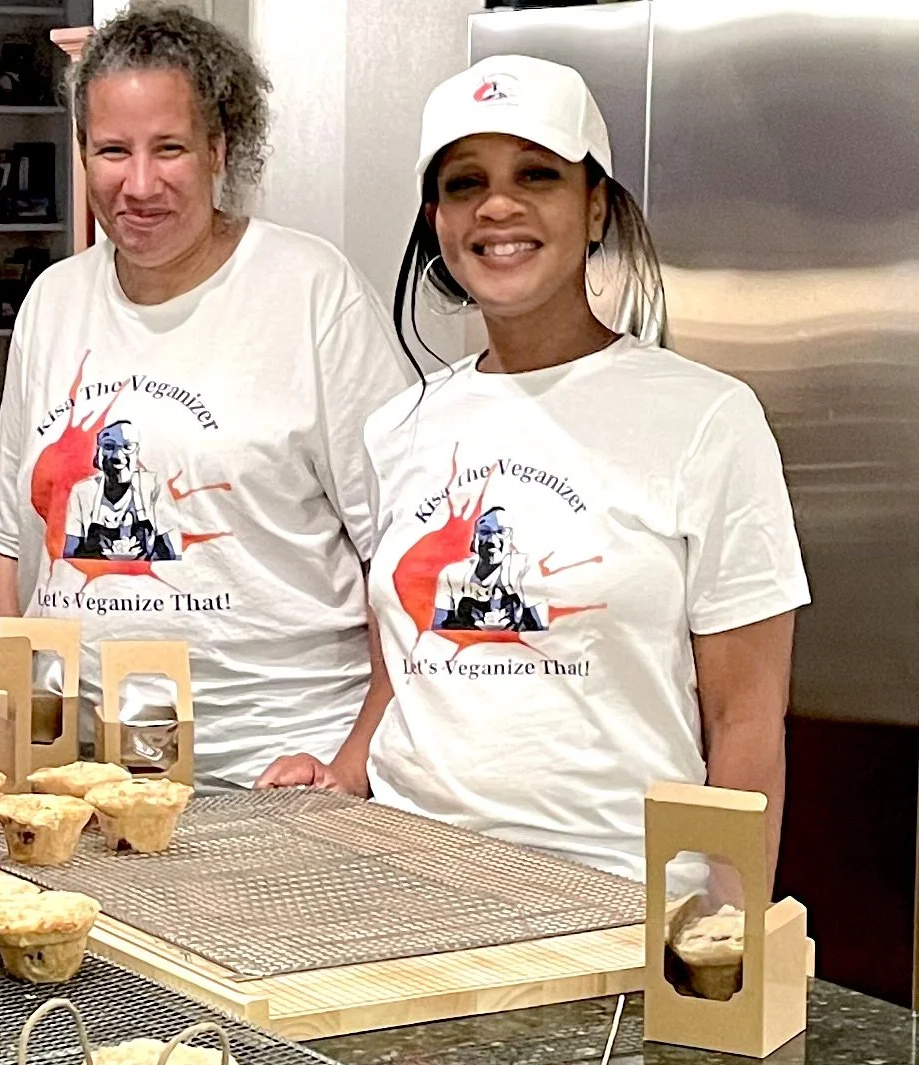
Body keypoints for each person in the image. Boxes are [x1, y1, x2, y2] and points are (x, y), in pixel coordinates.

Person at [259, 54, 808, 884]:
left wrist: (724, 944)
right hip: (404, 876)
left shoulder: (707, 419)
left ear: (595, 210)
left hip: (617, 892)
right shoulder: (399, 427)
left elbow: (747, 725)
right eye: (464, 182)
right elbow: (405, 673)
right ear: (438, 221)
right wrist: (345, 772)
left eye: (537, 174)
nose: (498, 205)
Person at [0, 3, 408, 789]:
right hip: (80, 775)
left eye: (168, 148)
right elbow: (10, 558)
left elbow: (403, 565)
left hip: (272, 774)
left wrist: (352, 768)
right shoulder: (53, 301)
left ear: (219, 149)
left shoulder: (312, 292)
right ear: (81, 153)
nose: (138, 185)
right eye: (112, 150)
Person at [61, 420, 180, 561]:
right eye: (109, 446)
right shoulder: (83, 492)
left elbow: (172, 553)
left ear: (137, 453)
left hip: (146, 579)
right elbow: (70, 555)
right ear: (98, 453)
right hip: (95, 580)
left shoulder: (153, 486)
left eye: (127, 447)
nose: (118, 456)